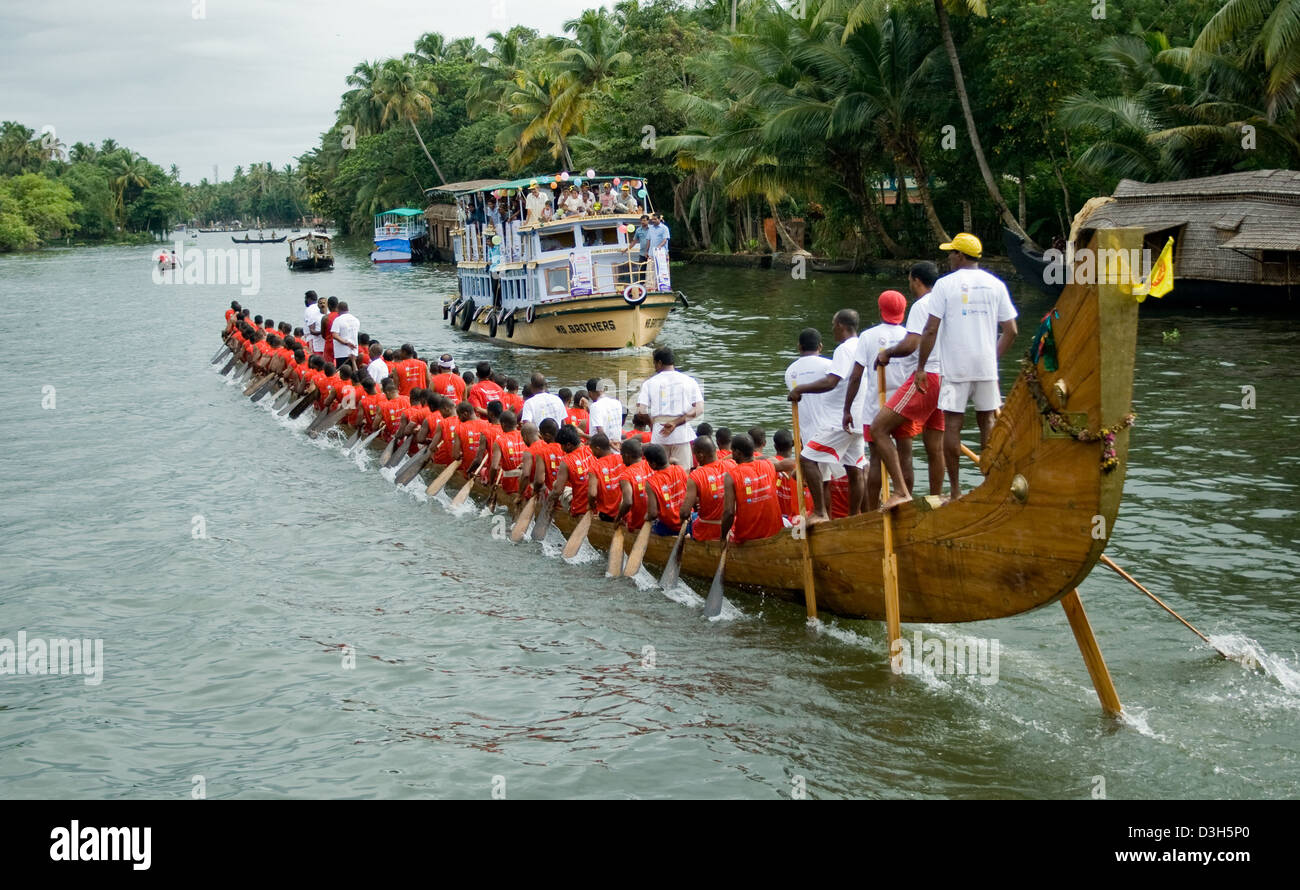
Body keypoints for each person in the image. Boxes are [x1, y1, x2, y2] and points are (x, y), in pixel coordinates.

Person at [911, 233, 1018, 503]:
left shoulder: (945, 285)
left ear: (960, 255)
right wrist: (992, 358)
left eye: (951, 253)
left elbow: (931, 329)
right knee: (988, 423)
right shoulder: (996, 284)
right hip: (985, 366)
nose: (948, 258)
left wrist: (921, 367)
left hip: (955, 366)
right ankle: (990, 486)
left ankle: (956, 491)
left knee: (953, 425)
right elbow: (1011, 331)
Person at [871, 262, 947, 502]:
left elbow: (911, 344)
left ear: (916, 280)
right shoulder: (948, 303)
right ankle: (936, 498)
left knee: (878, 429)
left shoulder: (923, 305)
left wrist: (887, 353)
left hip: (927, 377)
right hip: (948, 379)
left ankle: (901, 491)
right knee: (934, 444)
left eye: (910, 281)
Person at [787, 309, 862, 522]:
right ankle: (855, 517)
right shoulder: (862, 346)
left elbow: (831, 383)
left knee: (807, 459)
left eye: (833, 325)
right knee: (855, 468)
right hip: (859, 418)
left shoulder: (842, 351)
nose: (832, 329)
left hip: (837, 423)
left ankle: (820, 513)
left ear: (840, 325)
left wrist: (800, 389)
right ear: (819, 347)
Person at [842, 290, 913, 510]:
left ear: (880, 309)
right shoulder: (910, 335)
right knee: (905, 455)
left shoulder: (868, 336)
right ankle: (906, 503)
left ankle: (872, 511)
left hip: (875, 406)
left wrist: (847, 409)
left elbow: (855, 376)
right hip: (904, 403)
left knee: (875, 459)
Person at [634, 346, 704, 468]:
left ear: (659, 363)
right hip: (682, 433)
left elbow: (641, 411)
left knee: (660, 474)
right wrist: (675, 423)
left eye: (654, 364)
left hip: (659, 433)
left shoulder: (649, 383)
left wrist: (651, 424)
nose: (655, 367)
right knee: (683, 474)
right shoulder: (689, 381)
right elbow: (699, 409)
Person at [720, 434, 784, 545]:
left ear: (738, 453)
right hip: (776, 532)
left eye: (732, 451)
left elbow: (729, 513)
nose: (731, 454)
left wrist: (722, 536)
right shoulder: (769, 465)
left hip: (747, 537)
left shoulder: (731, 476)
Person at [681, 436, 727, 542]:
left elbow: (684, 513)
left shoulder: (696, 476)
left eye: (695, 454)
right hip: (731, 529)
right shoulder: (732, 464)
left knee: (691, 517)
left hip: (707, 532)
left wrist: (683, 516)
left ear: (701, 455)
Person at [546, 426, 592, 520]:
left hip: (579, 508)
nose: (562, 449)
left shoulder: (567, 461)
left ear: (568, 445)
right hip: (595, 504)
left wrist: (547, 503)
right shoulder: (591, 449)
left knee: (555, 484)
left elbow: (558, 491)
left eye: (562, 445)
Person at [643, 444, 688, 536]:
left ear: (653, 464)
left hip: (669, 526)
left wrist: (646, 517)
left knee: (651, 526)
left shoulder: (651, 482)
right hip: (687, 522)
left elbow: (653, 513)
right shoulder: (680, 469)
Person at [615, 438, 653, 532]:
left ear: (627, 456)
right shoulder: (652, 464)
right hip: (656, 521)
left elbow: (628, 502)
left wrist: (618, 518)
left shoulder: (626, 475)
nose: (622, 459)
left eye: (622, 455)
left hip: (638, 524)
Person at [586, 433, 625, 522]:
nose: (592, 453)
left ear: (598, 449)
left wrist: (591, 506)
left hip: (606, 514)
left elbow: (592, 493)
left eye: (592, 450)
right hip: (624, 512)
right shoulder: (622, 459)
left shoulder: (594, 467)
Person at [586, 377, 623, 443]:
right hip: (617, 445)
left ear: (590, 393)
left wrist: (582, 434)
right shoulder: (617, 403)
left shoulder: (595, 406)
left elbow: (600, 432)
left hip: (603, 448)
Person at [331, 301, 360, 369]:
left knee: (343, 374)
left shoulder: (338, 320)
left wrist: (346, 343)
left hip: (342, 353)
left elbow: (334, 335)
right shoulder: (356, 320)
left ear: (338, 309)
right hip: (354, 351)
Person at [303, 293, 324, 358]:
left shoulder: (309, 309)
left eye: (305, 298)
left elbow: (310, 327)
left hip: (312, 338)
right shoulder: (321, 308)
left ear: (309, 299)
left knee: (313, 358)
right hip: (322, 339)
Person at [321, 296, 340, 365]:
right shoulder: (341, 316)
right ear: (338, 305)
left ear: (328, 305)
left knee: (328, 366)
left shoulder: (325, 318)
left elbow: (323, 335)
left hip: (329, 344)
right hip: (339, 344)